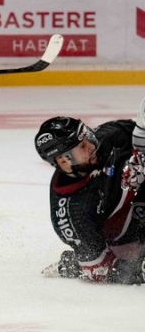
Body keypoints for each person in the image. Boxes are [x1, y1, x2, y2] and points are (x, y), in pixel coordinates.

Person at [34, 116, 145, 284]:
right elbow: (106, 270)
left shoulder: (107, 136)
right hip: (131, 238)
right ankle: (74, 264)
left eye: (88, 138)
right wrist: (138, 268)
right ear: (64, 161)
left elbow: (140, 133)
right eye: (83, 147)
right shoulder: (72, 216)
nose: (92, 146)